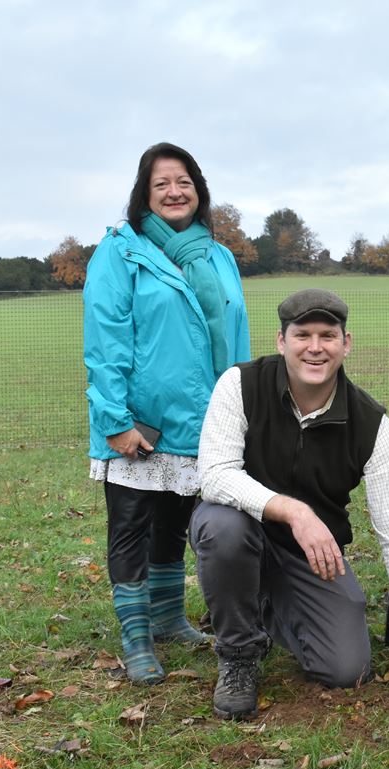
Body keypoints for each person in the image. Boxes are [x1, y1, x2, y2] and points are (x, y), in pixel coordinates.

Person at [189, 289, 389, 720]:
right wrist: (294, 510)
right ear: (281, 341)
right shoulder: (240, 384)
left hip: (309, 555)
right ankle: (238, 655)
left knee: (346, 668)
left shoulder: (371, 424)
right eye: (302, 334)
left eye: (328, 335)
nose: (315, 347)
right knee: (222, 526)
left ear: (346, 344)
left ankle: (266, 607)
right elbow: (214, 475)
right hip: (241, 529)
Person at [84, 142, 250, 685]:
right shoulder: (121, 252)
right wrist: (115, 420)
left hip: (203, 418)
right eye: (162, 184)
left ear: (198, 189)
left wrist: (243, 408)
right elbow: (105, 339)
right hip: (141, 419)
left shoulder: (217, 255)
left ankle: (169, 617)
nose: (175, 192)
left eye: (183, 181)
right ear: (144, 194)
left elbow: (237, 336)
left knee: (175, 520)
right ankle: (136, 636)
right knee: (131, 522)